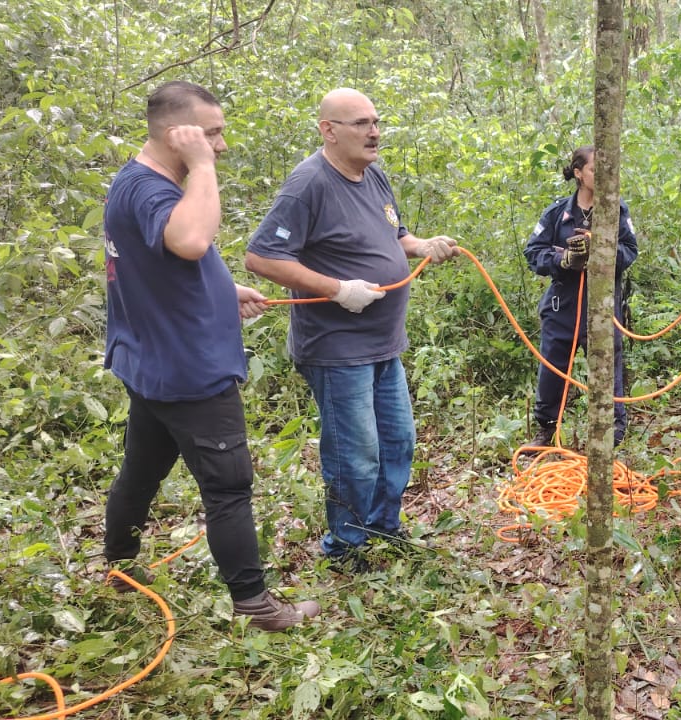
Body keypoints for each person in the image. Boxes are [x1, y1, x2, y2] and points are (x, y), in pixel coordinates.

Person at [102, 80, 320, 630]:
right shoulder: (150, 189)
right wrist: (201, 166)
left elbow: (172, 263)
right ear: (178, 134)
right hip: (189, 372)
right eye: (211, 134)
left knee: (142, 469)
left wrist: (226, 292)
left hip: (153, 364)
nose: (219, 145)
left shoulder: (136, 183)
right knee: (228, 487)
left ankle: (118, 566)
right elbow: (192, 241)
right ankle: (254, 604)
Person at [244, 88, 462, 564]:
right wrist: (336, 288)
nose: (374, 132)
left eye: (376, 122)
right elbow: (260, 256)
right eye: (361, 123)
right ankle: (345, 546)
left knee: (399, 441)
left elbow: (393, 234)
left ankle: (383, 526)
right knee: (356, 455)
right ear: (328, 130)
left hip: (385, 344)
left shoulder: (374, 175)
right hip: (337, 348)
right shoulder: (308, 185)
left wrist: (422, 244)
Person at [522, 145, 639, 449]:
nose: (601, 176)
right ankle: (547, 430)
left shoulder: (616, 211)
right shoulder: (556, 213)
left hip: (603, 310)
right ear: (578, 173)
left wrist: (600, 251)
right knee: (552, 372)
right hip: (562, 309)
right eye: (593, 170)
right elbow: (533, 252)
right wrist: (563, 261)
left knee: (607, 372)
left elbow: (630, 251)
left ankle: (614, 434)